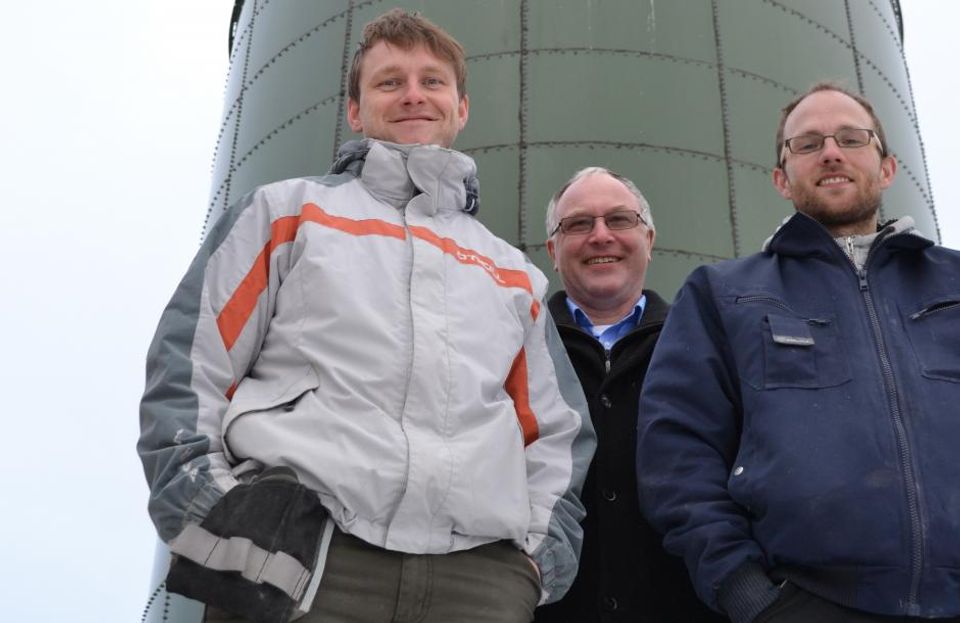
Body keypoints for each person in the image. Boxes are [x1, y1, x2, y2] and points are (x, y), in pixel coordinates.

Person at [137, 9, 594, 623]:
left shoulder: (513, 274)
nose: (413, 95)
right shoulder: (284, 215)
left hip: (476, 583)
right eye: (389, 82)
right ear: (356, 110)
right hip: (300, 563)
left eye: (432, 82)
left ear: (461, 109)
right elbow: (190, 365)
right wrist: (207, 509)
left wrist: (533, 565)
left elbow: (555, 436)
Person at [637, 82, 960, 623]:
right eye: (807, 144)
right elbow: (677, 451)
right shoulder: (726, 292)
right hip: (807, 602)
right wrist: (746, 593)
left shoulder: (952, 282)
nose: (830, 152)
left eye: (851, 138)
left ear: (886, 168)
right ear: (782, 179)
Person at [533, 167, 722, 623]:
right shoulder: (518, 348)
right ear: (553, 251)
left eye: (619, 220)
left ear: (649, 240)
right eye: (578, 224)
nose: (601, 236)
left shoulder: (708, 348)